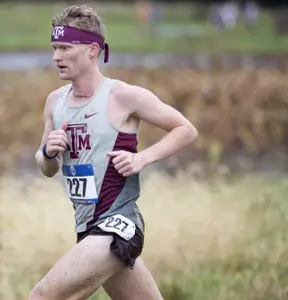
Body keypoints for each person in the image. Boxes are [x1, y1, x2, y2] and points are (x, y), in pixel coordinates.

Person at [31, 4, 198, 300]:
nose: (57, 56)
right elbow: (47, 168)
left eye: (66, 47)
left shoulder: (123, 96)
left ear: (93, 50)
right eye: (55, 47)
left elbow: (185, 130)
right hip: (87, 230)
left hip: (118, 227)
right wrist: (47, 152)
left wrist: (141, 158)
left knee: (43, 296)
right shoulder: (54, 102)